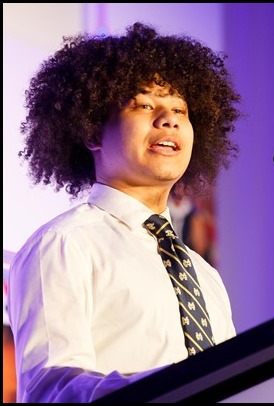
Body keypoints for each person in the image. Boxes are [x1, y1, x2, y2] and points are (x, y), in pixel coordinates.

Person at [7, 22, 241, 403]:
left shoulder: (205, 275)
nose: (170, 119)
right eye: (145, 104)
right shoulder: (66, 245)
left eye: (180, 109)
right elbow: (52, 391)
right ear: (93, 132)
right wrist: (177, 385)